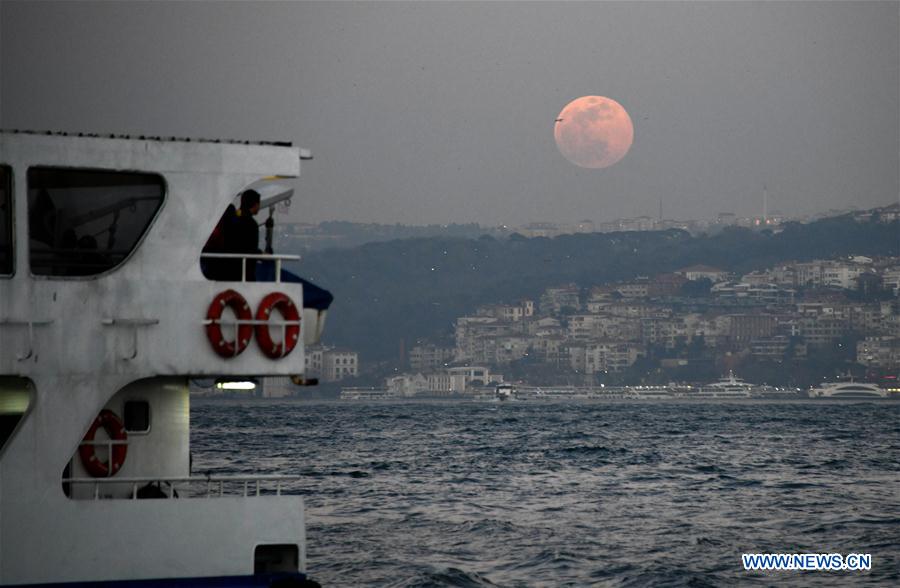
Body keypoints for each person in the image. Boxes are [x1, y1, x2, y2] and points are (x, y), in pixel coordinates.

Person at [224, 189, 263, 281]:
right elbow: (250, 249)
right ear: (256, 204)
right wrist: (262, 254)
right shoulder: (251, 224)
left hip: (228, 270)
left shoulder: (232, 219)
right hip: (244, 273)